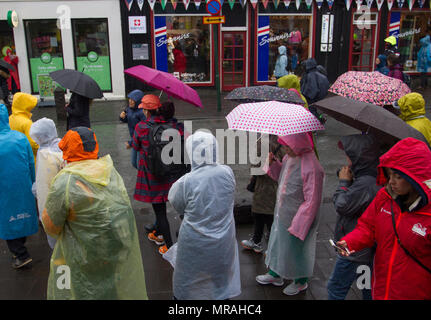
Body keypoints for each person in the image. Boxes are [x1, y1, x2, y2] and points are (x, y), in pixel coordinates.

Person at [41, 126, 147, 300]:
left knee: (84, 290)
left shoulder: (66, 181)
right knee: (108, 289)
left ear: (68, 149)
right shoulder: (109, 170)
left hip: (82, 257)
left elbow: (51, 226)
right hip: (111, 253)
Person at [337, 137, 431, 300]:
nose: (391, 182)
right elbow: (367, 227)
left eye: (398, 176)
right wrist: (350, 242)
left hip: (414, 292)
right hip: (381, 289)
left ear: (414, 177)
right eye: (389, 175)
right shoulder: (385, 196)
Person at [168, 130, 241, 300]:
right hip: (224, 238)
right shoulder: (227, 172)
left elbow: (178, 205)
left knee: (188, 279)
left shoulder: (186, 182)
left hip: (194, 241)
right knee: (220, 278)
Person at [256, 132, 324, 296]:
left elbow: (312, 200)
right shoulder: (290, 158)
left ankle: (300, 281)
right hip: (284, 212)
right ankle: (276, 273)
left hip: (298, 218)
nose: (285, 149)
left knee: (298, 250)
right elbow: (282, 177)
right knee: (279, 243)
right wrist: (273, 164)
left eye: (288, 146)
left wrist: (300, 224)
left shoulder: (312, 167)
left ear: (298, 144)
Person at [326, 134, 381, 300]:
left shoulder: (365, 184)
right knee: (367, 286)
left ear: (359, 159)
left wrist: (343, 183)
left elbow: (342, 206)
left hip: (353, 249)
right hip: (365, 248)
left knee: (336, 287)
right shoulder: (369, 178)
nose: (347, 162)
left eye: (349, 157)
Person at [131, 95, 184, 255]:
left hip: (152, 174)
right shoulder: (172, 125)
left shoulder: (141, 127)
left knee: (160, 211)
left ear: (147, 110)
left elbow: (135, 145)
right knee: (167, 208)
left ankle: (168, 246)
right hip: (171, 173)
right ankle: (158, 233)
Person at [0, 104, 38, 269]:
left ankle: (21, 254)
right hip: (23, 184)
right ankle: (20, 247)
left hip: (4, 188)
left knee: (7, 218)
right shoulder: (19, 138)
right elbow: (30, 162)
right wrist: (33, 182)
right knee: (22, 213)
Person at [241, 135, 285, 253]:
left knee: (263, 215)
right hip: (276, 184)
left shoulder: (264, 142)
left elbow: (258, 167)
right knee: (264, 214)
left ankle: (270, 247)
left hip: (265, 185)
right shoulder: (283, 140)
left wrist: (255, 171)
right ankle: (257, 240)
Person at [29, 118, 64, 250]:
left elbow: (42, 180)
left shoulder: (45, 154)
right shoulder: (62, 146)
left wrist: (36, 190)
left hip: (51, 206)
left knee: (58, 244)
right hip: (62, 204)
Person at [9, 92, 39, 162]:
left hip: (16, 153)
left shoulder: (10, 117)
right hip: (28, 157)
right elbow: (33, 143)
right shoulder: (26, 123)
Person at [119, 89, 145, 168]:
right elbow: (127, 120)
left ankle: (142, 178)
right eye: (129, 99)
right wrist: (122, 117)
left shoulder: (142, 113)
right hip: (134, 140)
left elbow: (142, 131)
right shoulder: (129, 109)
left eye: (132, 100)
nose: (130, 101)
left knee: (138, 164)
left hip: (140, 142)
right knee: (134, 163)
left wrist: (131, 143)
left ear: (138, 101)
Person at [299, 58, 329, 123]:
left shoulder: (311, 75)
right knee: (315, 111)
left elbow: (312, 90)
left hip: (312, 99)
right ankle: (319, 120)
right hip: (321, 97)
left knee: (312, 111)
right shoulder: (319, 74)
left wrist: (305, 96)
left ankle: (315, 124)